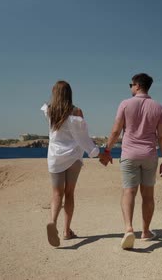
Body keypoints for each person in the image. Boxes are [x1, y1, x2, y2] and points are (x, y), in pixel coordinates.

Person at [102, 73, 162, 249]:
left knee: (128, 192)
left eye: (131, 84)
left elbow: (116, 131)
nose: (130, 87)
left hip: (129, 155)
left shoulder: (125, 104)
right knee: (148, 195)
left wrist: (107, 150)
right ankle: (146, 231)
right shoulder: (159, 108)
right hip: (149, 155)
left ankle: (129, 228)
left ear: (138, 85)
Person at [41, 81, 111, 247]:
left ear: (54, 93)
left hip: (55, 156)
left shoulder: (49, 111)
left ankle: (52, 221)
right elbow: (83, 138)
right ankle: (66, 231)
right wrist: (98, 154)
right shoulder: (76, 112)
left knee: (57, 193)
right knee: (70, 193)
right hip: (73, 156)